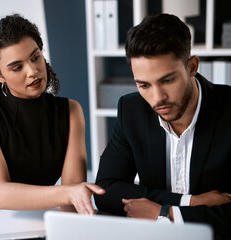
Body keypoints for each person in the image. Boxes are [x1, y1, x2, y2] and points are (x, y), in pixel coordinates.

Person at [94, 13, 231, 239]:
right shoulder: (131, 109)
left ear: (192, 66)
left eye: (167, 80)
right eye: (144, 85)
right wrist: (189, 202)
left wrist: (167, 213)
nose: (157, 98)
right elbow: (105, 189)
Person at [0, 14, 104, 215]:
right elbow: (0, 195)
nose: (32, 71)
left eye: (35, 57)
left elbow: (72, 199)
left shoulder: (70, 111)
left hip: (33, 221)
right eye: (17, 67)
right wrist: (68, 193)